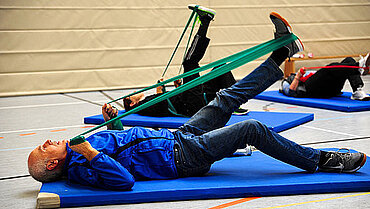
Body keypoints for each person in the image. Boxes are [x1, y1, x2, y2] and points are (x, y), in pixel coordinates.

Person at [28, 9, 367, 191]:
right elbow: (123, 180)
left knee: (225, 99)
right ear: (53, 165)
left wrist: (114, 117)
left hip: (177, 138)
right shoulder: (81, 169)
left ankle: (281, 53)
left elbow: (121, 144)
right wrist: (92, 154)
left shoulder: (78, 150)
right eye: (44, 149)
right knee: (250, 127)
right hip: (182, 156)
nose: (48, 142)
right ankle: (322, 160)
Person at [123, 5, 244, 117]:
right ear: (132, 104)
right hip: (192, 105)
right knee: (189, 62)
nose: (134, 91)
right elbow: (163, 105)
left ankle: (234, 101)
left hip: (194, 98)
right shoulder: (142, 108)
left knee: (220, 68)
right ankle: (205, 20)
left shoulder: (146, 103)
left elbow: (169, 102)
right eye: (131, 95)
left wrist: (178, 87)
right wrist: (161, 90)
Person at [280, 54, 370, 100]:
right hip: (312, 90)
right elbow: (291, 92)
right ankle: (359, 67)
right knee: (329, 68)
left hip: (329, 87)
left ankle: (357, 90)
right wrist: (298, 76)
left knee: (349, 60)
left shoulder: (307, 74)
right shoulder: (286, 82)